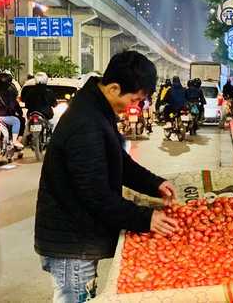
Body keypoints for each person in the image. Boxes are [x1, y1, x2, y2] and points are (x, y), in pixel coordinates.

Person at [34, 50, 178, 302]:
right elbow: (96, 195)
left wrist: (154, 184)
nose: (136, 107)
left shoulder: (96, 109)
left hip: (78, 236)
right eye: (134, 100)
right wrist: (146, 218)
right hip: (72, 241)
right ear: (113, 88)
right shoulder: (86, 123)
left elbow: (117, 161)